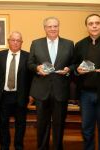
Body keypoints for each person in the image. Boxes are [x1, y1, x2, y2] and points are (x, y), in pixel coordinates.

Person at [28, 17, 74, 150]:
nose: (53, 29)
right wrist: (37, 68)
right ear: (45, 28)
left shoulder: (69, 44)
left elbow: (74, 63)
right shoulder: (36, 43)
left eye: (55, 26)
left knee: (59, 124)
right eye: (49, 26)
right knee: (42, 124)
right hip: (41, 91)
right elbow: (30, 63)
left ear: (59, 27)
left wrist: (68, 69)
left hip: (61, 90)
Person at [0, 31, 31, 150]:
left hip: (20, 95)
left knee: (21, 123)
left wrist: (31, 95)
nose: (15, 43)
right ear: (8, 41)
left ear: (22, 43)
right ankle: (4, 146)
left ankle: (18, 146)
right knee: (3, 122)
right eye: (13, 40)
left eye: (18, 40)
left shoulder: (28, 56)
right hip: (4, 95)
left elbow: (31, 78)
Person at [73, 14, 100, 150]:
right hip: (85, 94)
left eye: (97, 23)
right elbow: (74, 67)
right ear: (86, 26)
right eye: (91, 23)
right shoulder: (79, 45)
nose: (94, 26)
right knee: (87, 129)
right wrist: (77, 70)